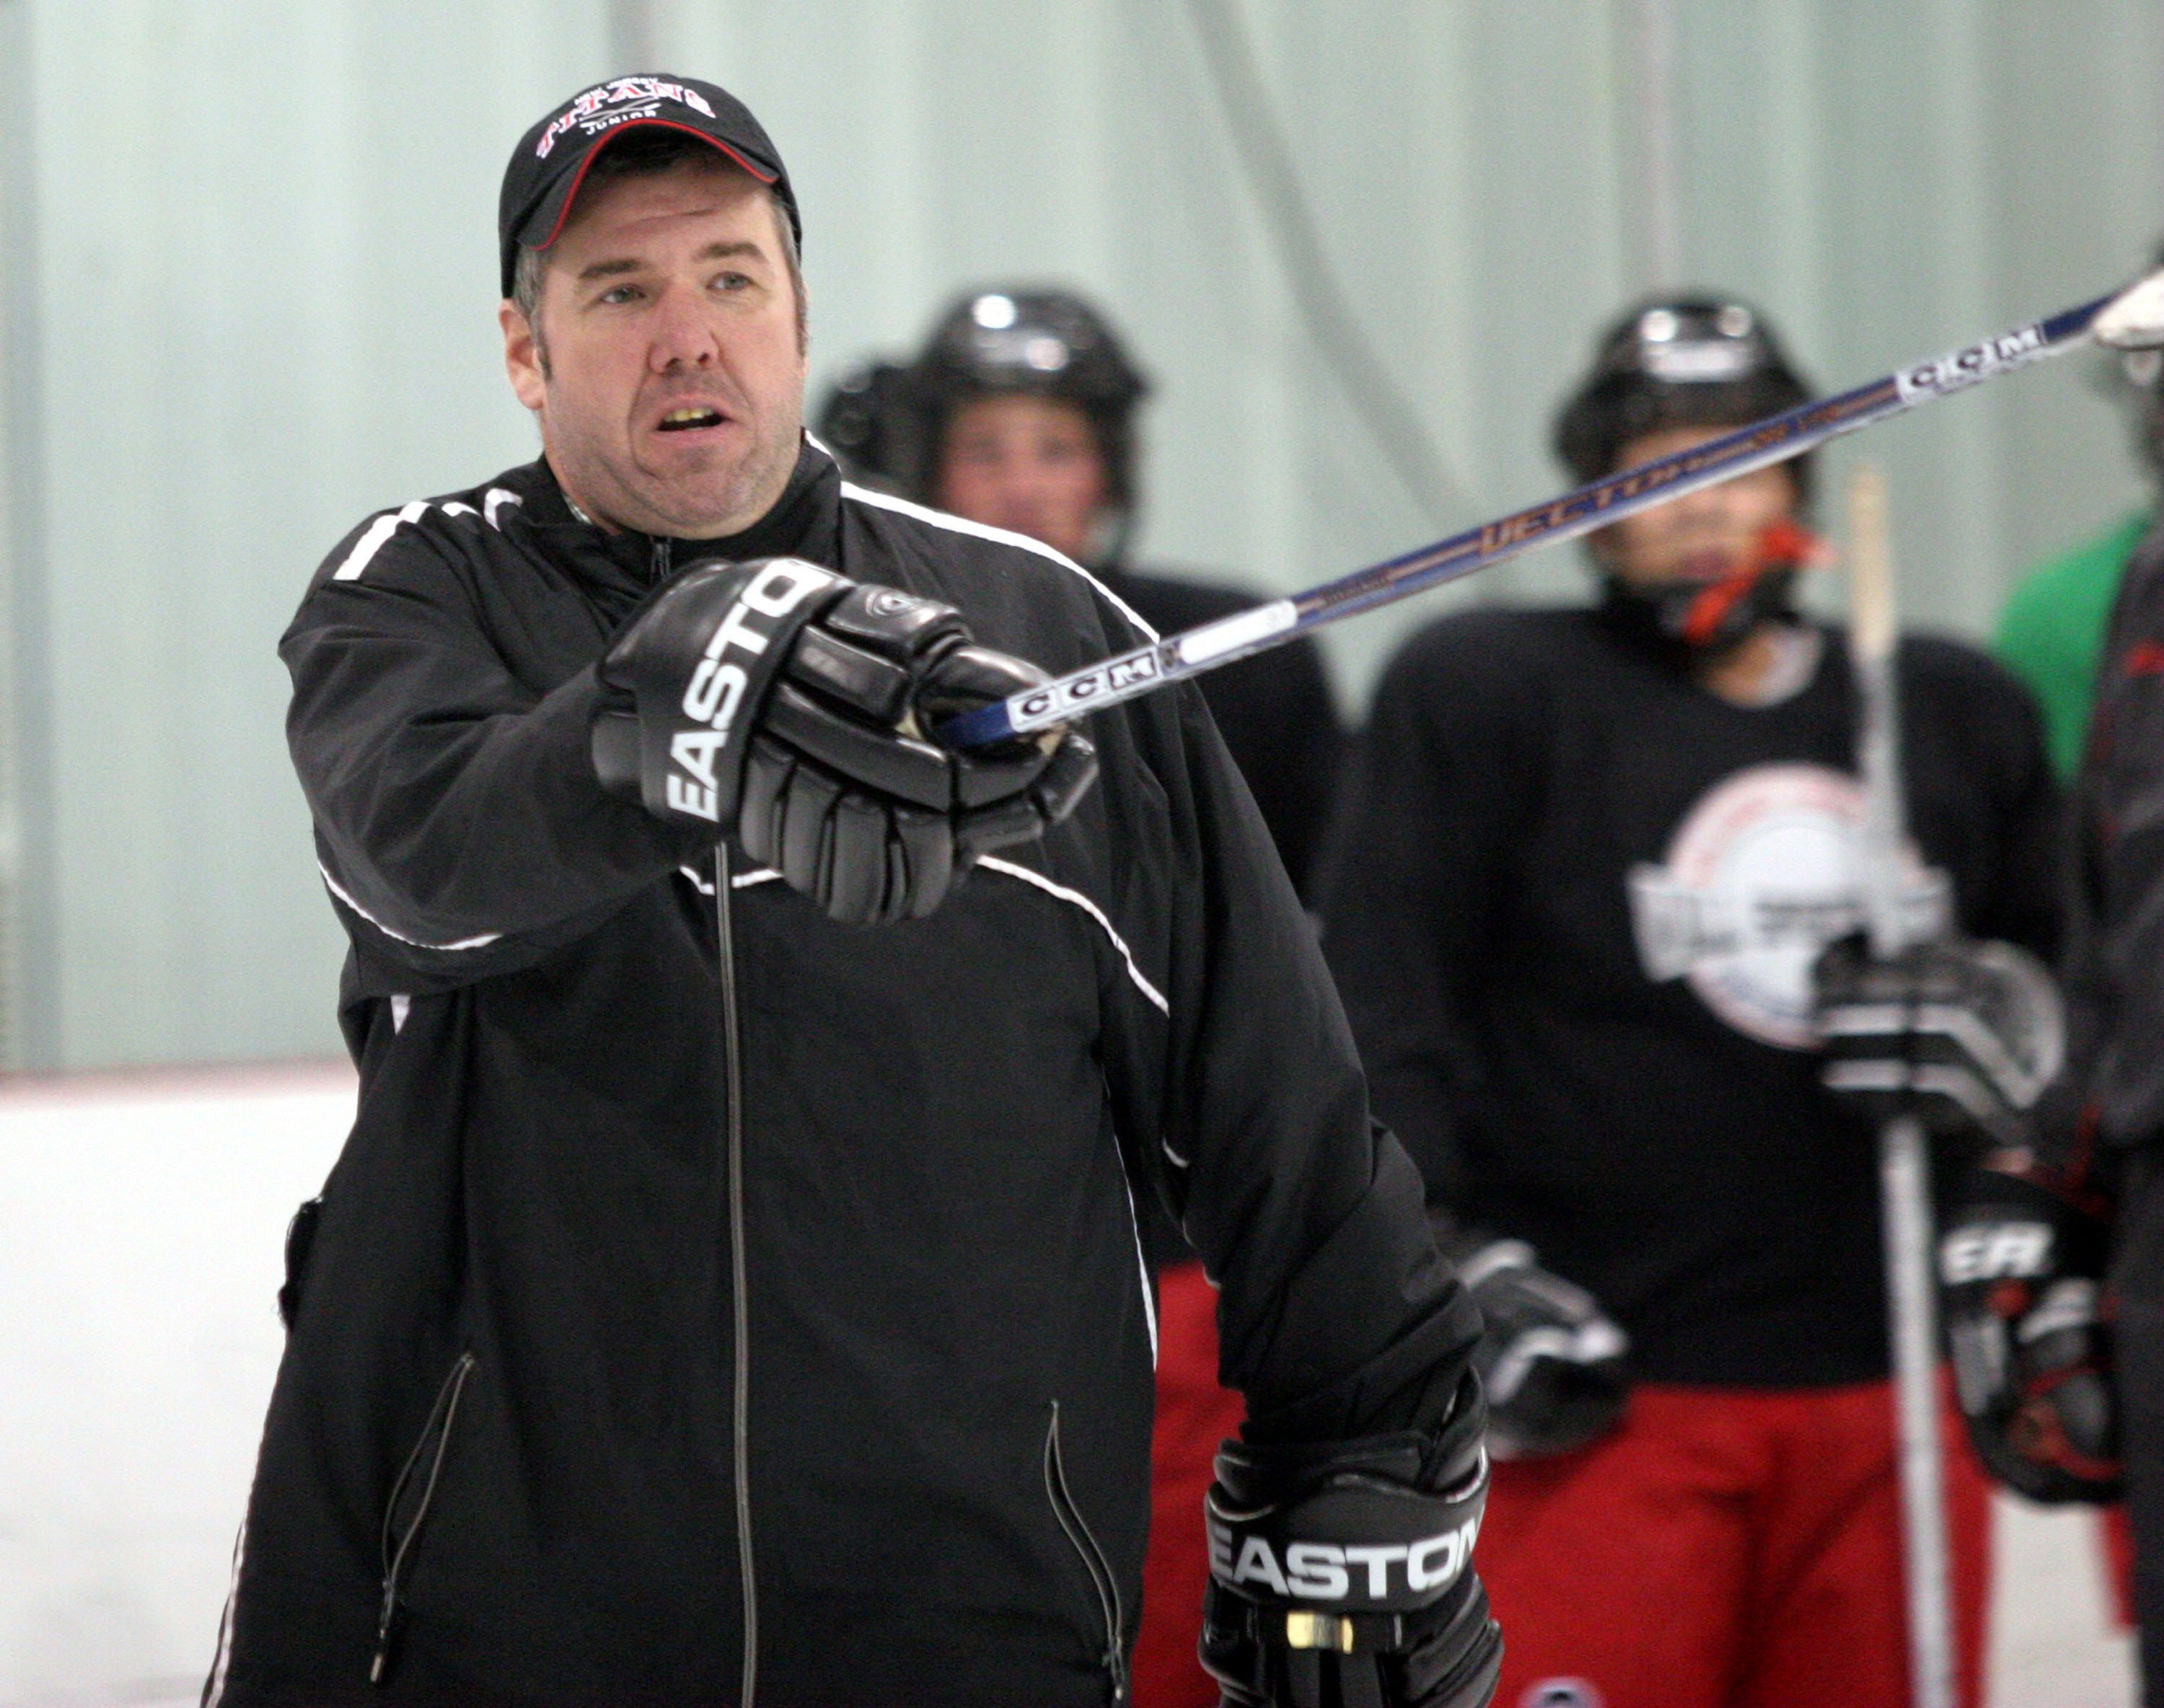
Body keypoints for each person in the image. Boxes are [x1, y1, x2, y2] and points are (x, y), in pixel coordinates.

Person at [203, 74, 1502, 1708]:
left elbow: (1278, 1104)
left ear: (798, 315)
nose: (688, 334)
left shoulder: (1049, 640)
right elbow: (423, 866)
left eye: (730, 278)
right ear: (527, 352)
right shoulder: (425, 591)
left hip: (972, 1620)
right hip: (480, 1625)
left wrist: (1371, 1443)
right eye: (620, 291)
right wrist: (666, 711)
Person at [1317, 296, 2064, 1708]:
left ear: (1801, 485)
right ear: (1590, 506)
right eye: (1651, 472)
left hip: (1885, 1396)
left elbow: (2077, 993)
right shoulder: (1485, 695)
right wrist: (1437, 1264)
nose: (1700, 509)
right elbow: (1378, 1003)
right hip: (1604, 1387)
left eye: (1743, 463)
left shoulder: (1949, 706)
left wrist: (2013, 1038)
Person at [821, 287, 1344, 1706]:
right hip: (926, 1263)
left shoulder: (1231, 645)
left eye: (1055, 446)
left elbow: (1322, 953)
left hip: (1183, 1260)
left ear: (1111, 463)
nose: (1025, 483)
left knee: (1182, 1636)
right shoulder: (852, 669)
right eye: (988, 448)